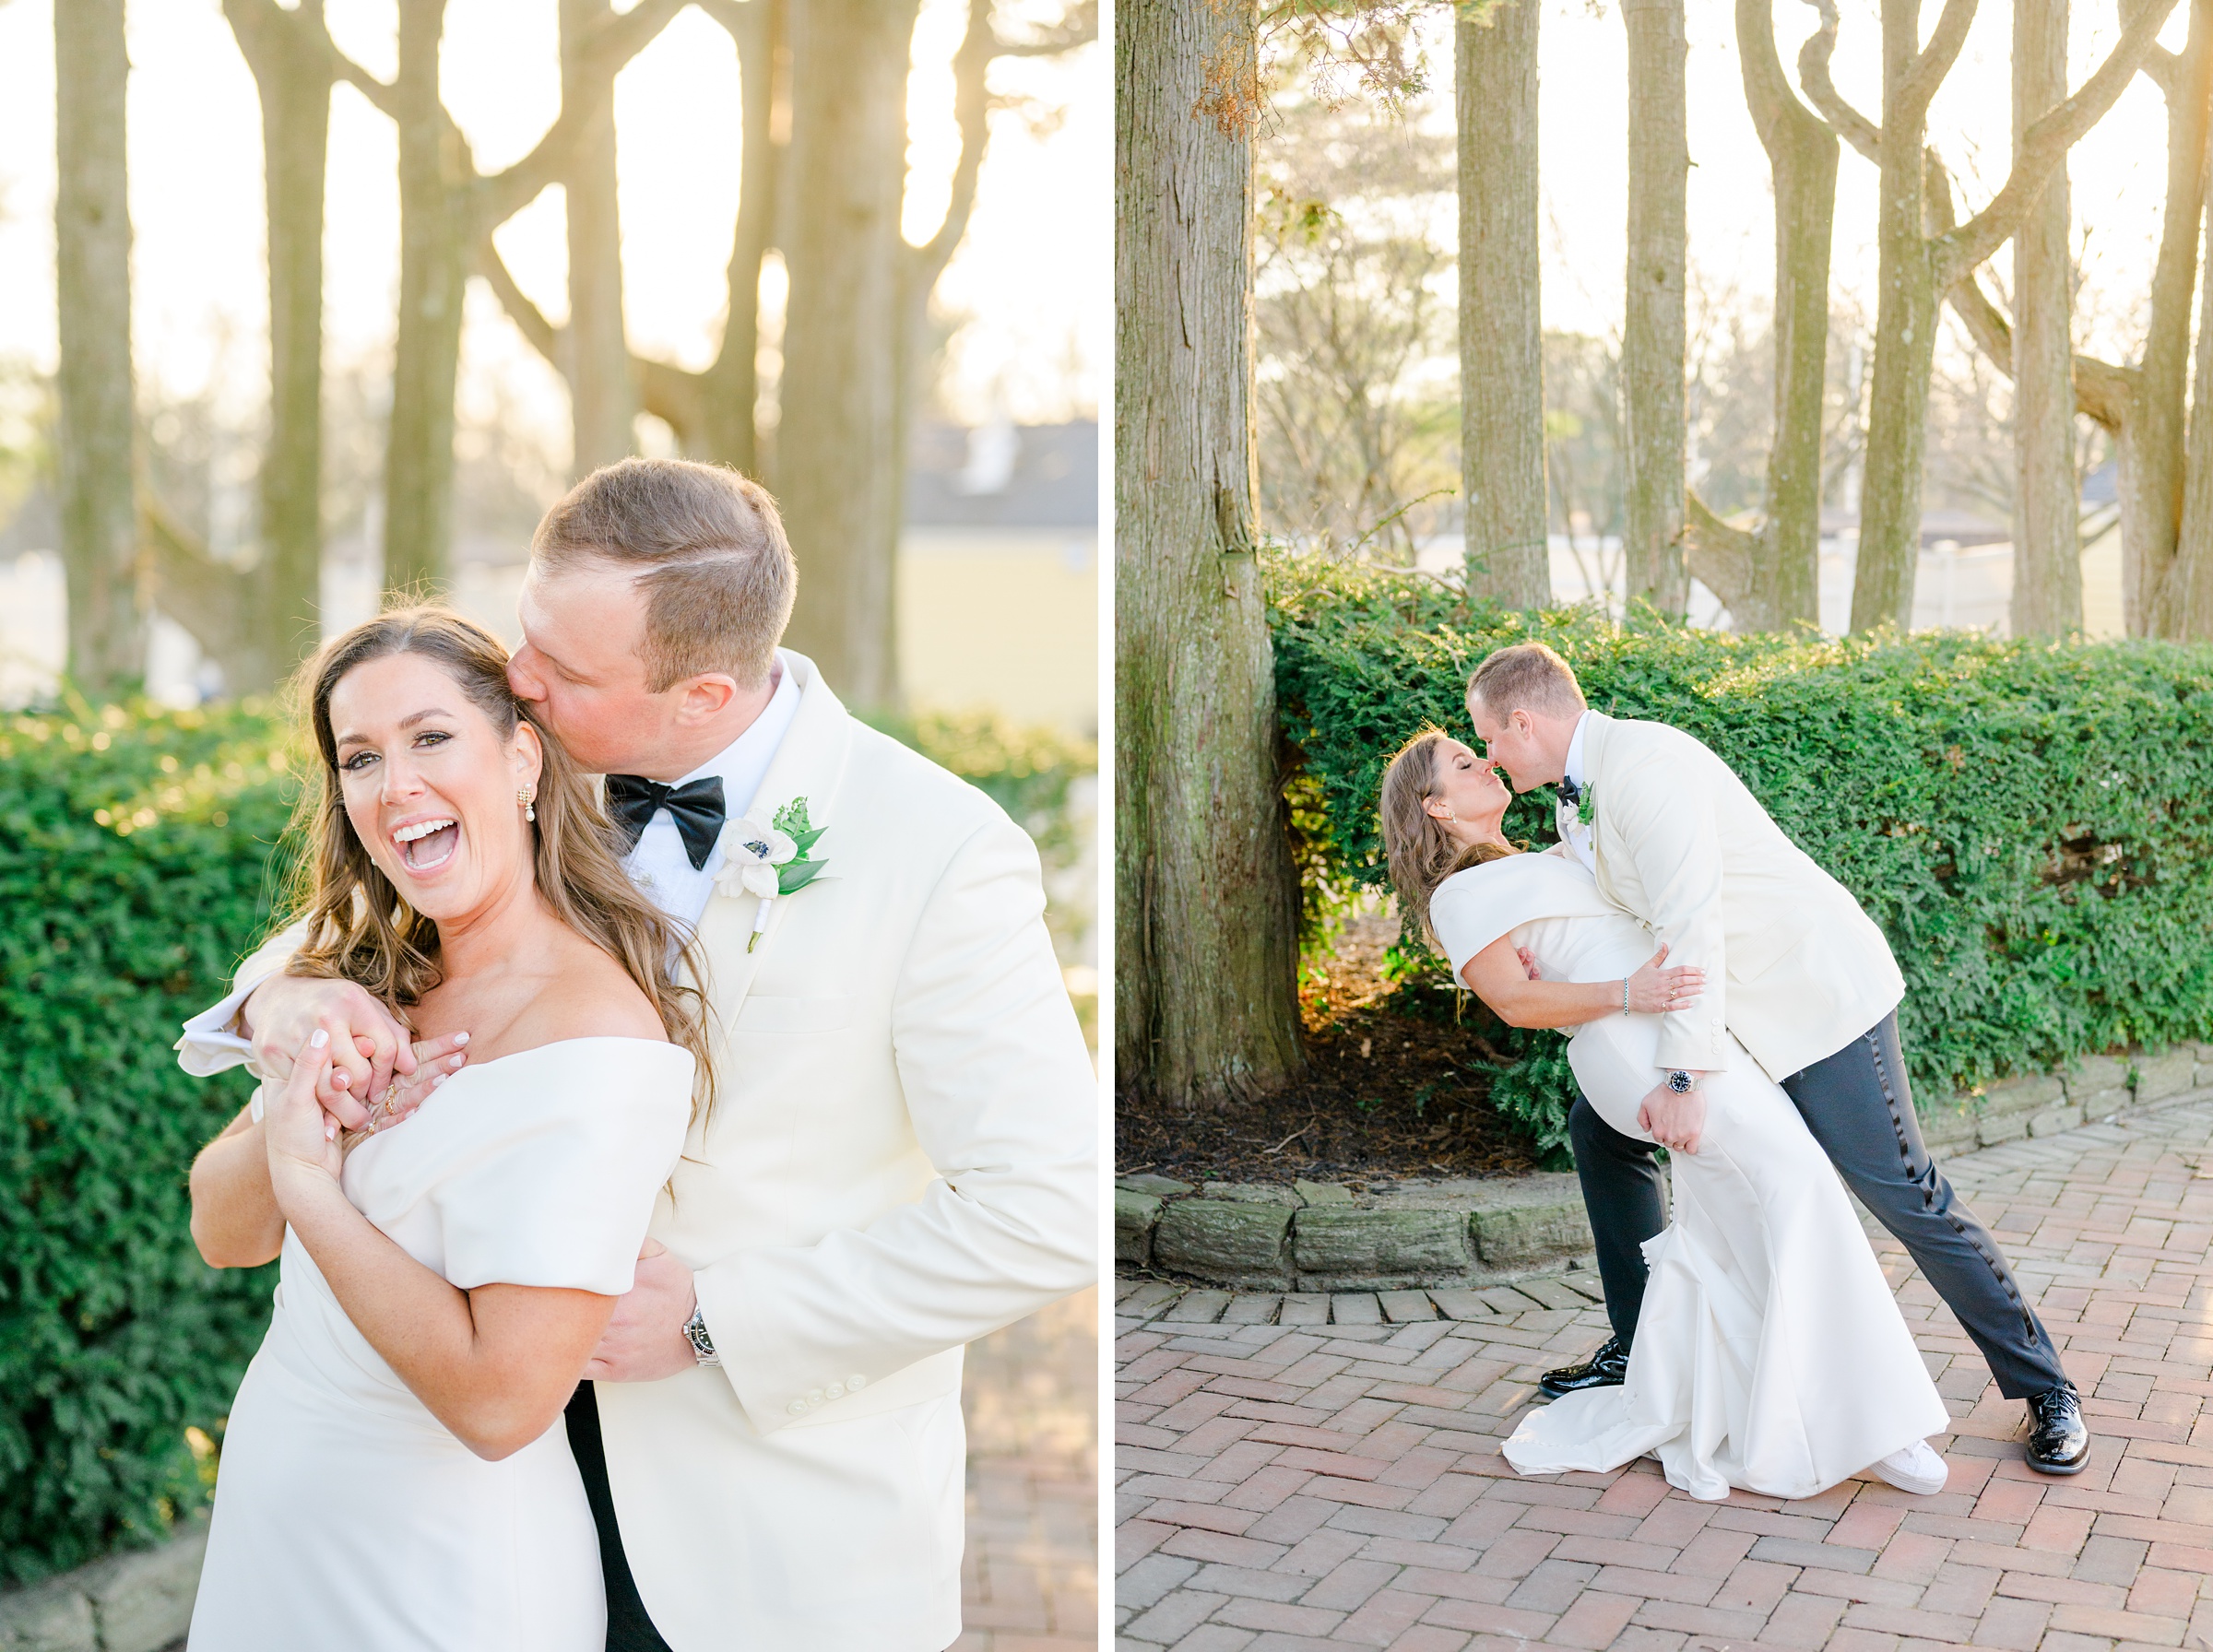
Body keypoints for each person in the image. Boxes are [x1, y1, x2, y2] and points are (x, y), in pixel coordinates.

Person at [180, 459, 1098, 1650]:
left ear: (701, 693)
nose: (517, 678)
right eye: (528, 634)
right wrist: (287, 999)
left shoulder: (937, 850)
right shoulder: (525, 756)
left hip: (754, 1518)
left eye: (559, 669)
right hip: (466, 1491)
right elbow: (358, 908)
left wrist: (723, 1319)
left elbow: (1049, 1209)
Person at [185, 608, 705, 1649]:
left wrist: (313, 1185)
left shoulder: (596, 1035)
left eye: (431, 738)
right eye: (361, 758)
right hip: (274, 1525)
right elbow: (223, 1235)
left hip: (442, 1572)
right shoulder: (366, 966)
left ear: (520, 759)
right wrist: (290, 1082)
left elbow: (500, 1403)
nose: (396, 787)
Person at [1459, 641, 2088, 1476]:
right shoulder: (1581, 798)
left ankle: (2047, 1389)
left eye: (1489, 738)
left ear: (1524, 721)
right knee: (1601, 1132)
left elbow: (1692, 923)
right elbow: (1598, 891)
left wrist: (1684, 1077)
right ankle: (1642, 1345)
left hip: (1815, 1001)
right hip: (1738, 1014)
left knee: (1901, 1190)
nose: (1492, 758)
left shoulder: (1646, 768)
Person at [1379, 726, 1953, 1500]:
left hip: (1678, 1037)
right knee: (1797, 1186)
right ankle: (1875, 1426)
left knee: (1743, 1216)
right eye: (1462, 761)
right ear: (1436, 807)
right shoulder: (1461, 894)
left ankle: (1779, 1408)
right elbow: (1513, 1003)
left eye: (1478, 748)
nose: (1484, 761)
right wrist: (1628, 996)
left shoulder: (1546, 854)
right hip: (1633, 1050)